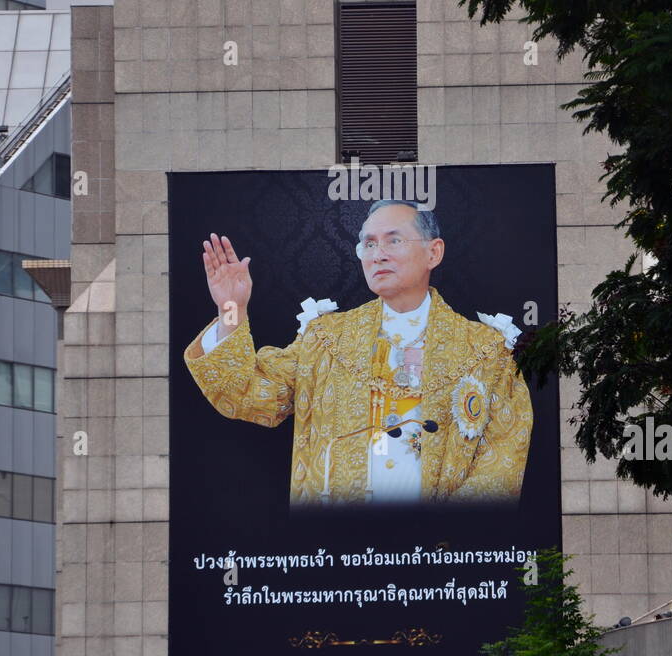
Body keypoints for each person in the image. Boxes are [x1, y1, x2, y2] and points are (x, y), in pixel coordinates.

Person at [183, 200, 533, 505]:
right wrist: (230, 307)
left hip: (438, 555)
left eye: (394, 240)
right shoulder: (326, 338)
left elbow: (502, 460)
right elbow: (247, 393)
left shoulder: (484, 350)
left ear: (433, 252)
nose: (378, 253)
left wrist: (443, 533)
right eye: (368, 243)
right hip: (340, 553)